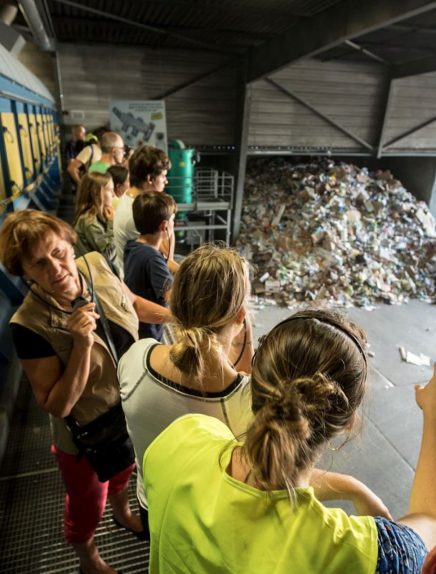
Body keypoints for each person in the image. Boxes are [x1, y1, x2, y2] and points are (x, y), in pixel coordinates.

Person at [143, 309, 435, 573]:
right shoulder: (359, 554)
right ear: (349, 421)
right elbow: (428, 523)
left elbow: (260, 475)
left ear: (253, 380)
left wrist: (351, 486)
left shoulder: (183, 436)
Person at [0, 209, 171, 574]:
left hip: (128, 408)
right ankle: (88, 559)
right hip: (85, 438)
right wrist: (79, 344)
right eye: (39, 264)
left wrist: (180, 318)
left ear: (69, 243)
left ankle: (123, 513)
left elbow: (134, 305)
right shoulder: (28, 325)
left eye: (58, 253)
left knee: (126, 468)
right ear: (25, 273)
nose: (57, 269)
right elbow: (56, 404)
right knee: (87, 503)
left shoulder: (95, 263)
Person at [118, 244, 254, 535]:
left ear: (175, 305)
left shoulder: (136, 358)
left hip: (152, 508)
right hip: (205, 527)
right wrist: (246, 343)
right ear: (240, 316)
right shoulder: (247, 402)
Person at [114, 144, 178, 275]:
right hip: (136, 281)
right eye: (163, 176)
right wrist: (169, 223)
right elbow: (167, 258)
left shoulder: (131, 195)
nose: (166, 182)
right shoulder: (135, 214)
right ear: (150, 178)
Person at [124, 192, 176, 341]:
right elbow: (172, 297)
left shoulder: (133, 246)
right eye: (173, 220)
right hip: (148, 333)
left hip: (136, 327)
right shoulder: (152, 258)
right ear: (164, 226)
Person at [74, 172, 118, 275]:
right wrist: (112, 223)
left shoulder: (100, 214)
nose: (113, 194)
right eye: (109, 190)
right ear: (96, 193)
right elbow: (107, 255)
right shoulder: (89, 221)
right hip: (97, 276)